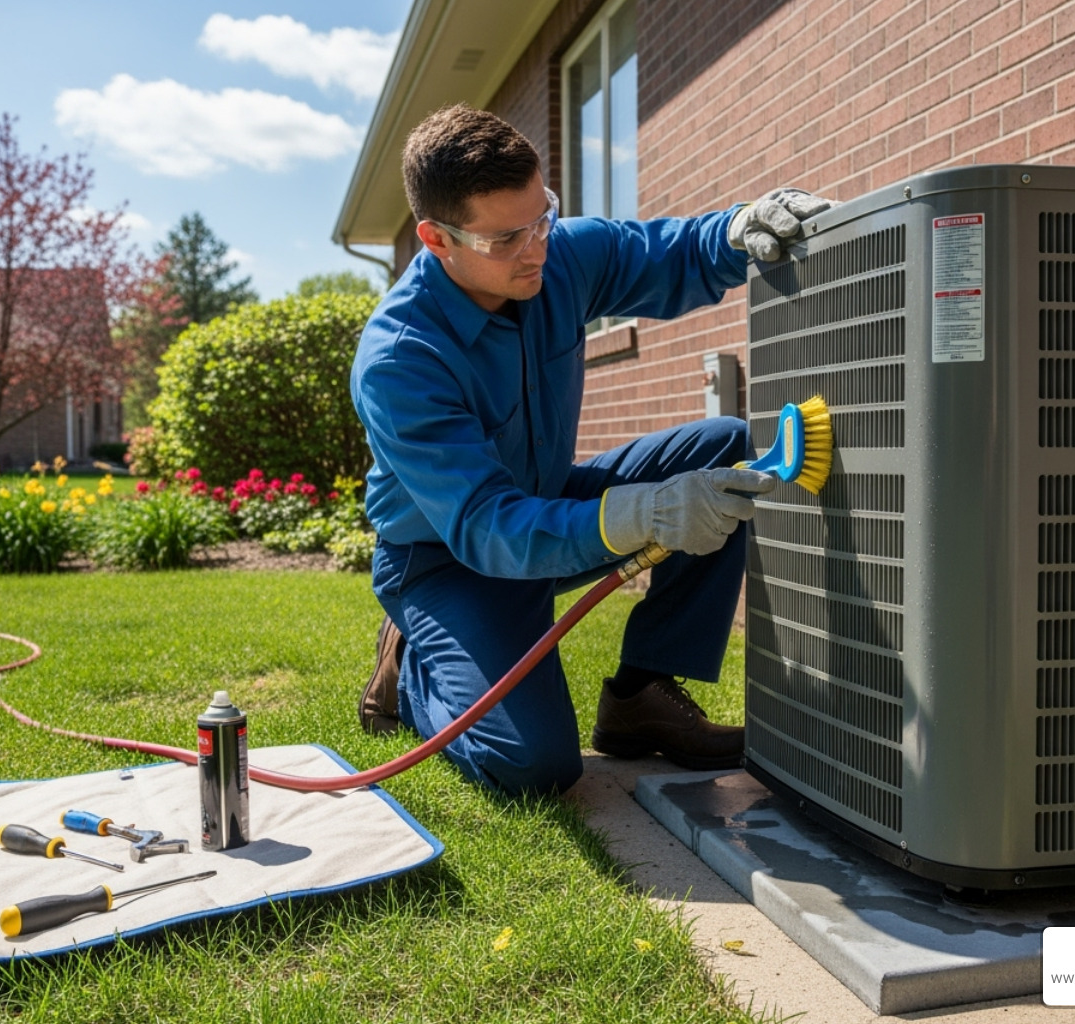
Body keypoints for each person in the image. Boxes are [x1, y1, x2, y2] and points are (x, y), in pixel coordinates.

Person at [350, 104, 832, 796]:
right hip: (447, 559)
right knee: (532, 764)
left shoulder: (555, 255)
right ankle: (416, 663)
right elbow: (487, 526)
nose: (537, 247)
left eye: (542, 214)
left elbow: (670, 252)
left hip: (544, 502)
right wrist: (644, 515)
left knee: (723, 449)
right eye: (508, 237)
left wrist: (735, 228)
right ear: (437, 239)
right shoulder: (401, 361)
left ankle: (641, 697)